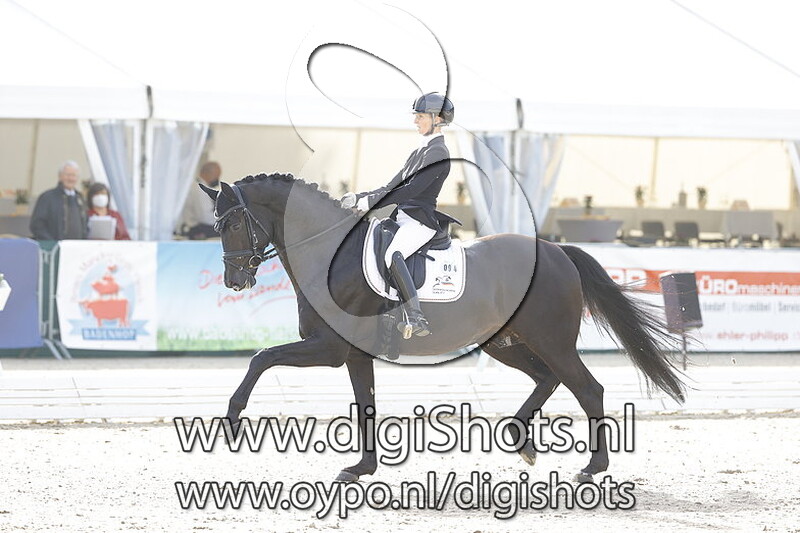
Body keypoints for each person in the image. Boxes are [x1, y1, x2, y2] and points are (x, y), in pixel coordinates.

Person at [341, 92, 455, 337]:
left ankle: (416, 317)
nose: (416, 121)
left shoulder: (438, 152)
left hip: (420, 221)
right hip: (401, 218)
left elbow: (411, 190)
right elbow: (390, 187)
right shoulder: (418, 153)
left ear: (437, 119)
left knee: (394, 254)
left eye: (421, 116)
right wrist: (359, 197)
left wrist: (370, 202)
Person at [29, 160, 88, 240]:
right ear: (60, 176)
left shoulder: (80, 199)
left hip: (77, 246)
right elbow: (37, 225)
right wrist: (52, 243)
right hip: (54, 246)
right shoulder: (47, 197)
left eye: (74, 175)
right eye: (68, 175)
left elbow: (86, 224)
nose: (71, 178)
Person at [180, 161, 221, 239]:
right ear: (208, 174)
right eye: (216, 176)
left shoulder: (195, 186)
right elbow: (205, 217)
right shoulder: (200, 189)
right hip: (197, 229)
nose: (217, 180)